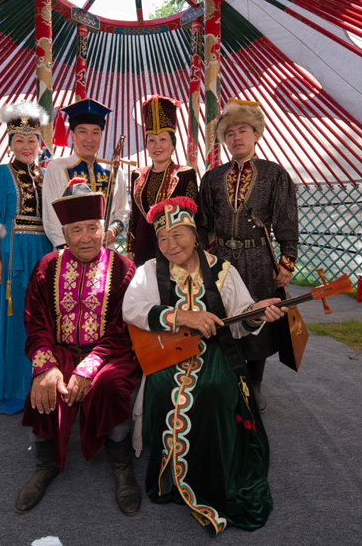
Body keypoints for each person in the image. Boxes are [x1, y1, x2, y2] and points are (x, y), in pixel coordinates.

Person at [122, 196, 287, 537]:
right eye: (163, 238)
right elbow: (132, 309)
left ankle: (209, 472)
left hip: (215, 353)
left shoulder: (222, 270)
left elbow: (241, 320)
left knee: (212, 391)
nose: (170, 244)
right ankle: (172, 472)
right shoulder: (149, 271)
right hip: (167, 352)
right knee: (165, 388)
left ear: (195, 234)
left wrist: (257, 313)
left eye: (178, 234)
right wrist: (181, 316)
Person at [15, 179, 141, 516]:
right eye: (76, 230)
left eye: (93, 228)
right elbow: (36, 323)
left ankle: (121, 467)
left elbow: (123, 329)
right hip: (61, 351)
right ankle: (45, 464)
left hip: (110, 353)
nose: (86, 237)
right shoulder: (46, 267)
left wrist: (89, 367)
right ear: (65, 232)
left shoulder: (124, 268)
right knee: (46, 387)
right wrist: (46, 366)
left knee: (111, 386)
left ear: (103, 229)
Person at [196, 99, 298, 412]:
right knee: (225, 316)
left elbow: (286, 218)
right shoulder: (212, 177)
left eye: (243, 131)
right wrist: (201, 259)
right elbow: (202, 223)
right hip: (222, 257)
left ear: (256, 135)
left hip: (258, 259)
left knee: (258, 319)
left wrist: (287, 260)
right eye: (230, 133)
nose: (236, 137)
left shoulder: (274, 174)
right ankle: (227, 378)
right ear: (224, 139)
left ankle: (254, 384)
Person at [0, 102, 52, 415]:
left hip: (42, 252)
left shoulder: (45, 176)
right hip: (12, 254)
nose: (26, 145)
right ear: (10, 143)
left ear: (39, 143)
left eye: (32, 139)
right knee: (15, 319)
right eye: (19, 140)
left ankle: (39, 380)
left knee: (40, 319)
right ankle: (13, 386)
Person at [42, 98, 128, 250]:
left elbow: (123, 210)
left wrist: (113, 230)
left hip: (106, 250)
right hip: (70, 250)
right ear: (73, 136)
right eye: (82, 132)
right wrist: (66, 249)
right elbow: (52, 216)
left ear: (101, 137)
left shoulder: (114, 171)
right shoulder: (57, 168)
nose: (89, 138)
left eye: (95, 132)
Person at [126, 95, 198, 266]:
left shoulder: (185, 174)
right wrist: (129, 250)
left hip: (174, 253)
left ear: (173, 144)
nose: (157, 145)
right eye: (151, 140)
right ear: (146, 145)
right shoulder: (137, 175)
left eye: (163, 139)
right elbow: (133, 218)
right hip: (142, 253)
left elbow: (193, 218)